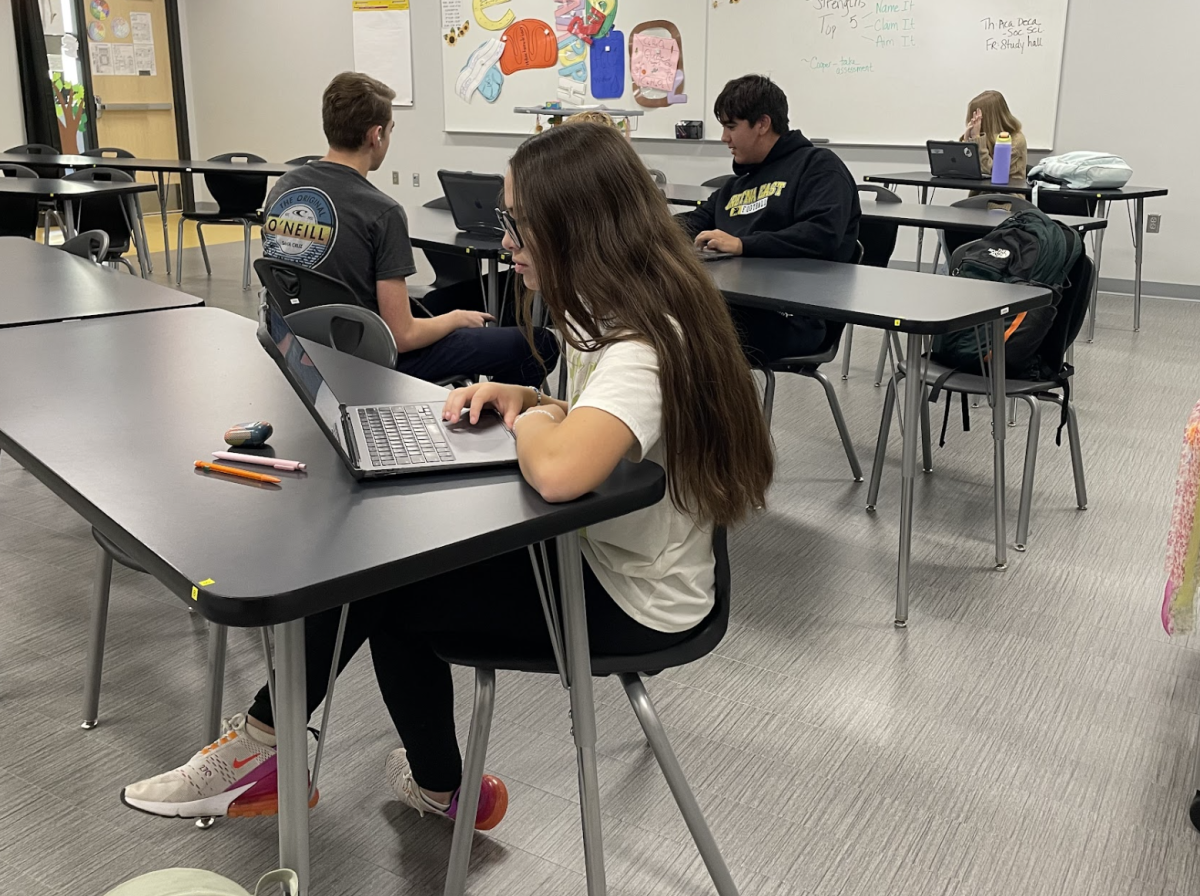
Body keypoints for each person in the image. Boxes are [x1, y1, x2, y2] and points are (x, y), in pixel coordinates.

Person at [120, 121, 775, 833]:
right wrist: (534, 399)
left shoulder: (645, 343)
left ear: (574, 227)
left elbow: (558, 473)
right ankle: (400, 778)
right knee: (388, 571)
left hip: (637, 596)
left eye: (518, 226)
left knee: (385, 585)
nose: (507, 245)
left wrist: (534, 421)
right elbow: (598, 428)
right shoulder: (620, 312)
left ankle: (287, 753)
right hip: (612, 553)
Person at [260, 71, 556, 387]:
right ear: (376, 136)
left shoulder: (281, 191)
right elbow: (402, 336)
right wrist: (456, 320)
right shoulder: (381, 211)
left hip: (304, 348)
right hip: (376, 361)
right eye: (390, 130)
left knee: (465, 297)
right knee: (542, 344)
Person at [676, 74, 860, 362]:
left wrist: (742, 244)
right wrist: (643, 230)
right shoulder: (737, 184)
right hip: (735, 302)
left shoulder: (819, 167)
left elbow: (822, 234)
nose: (725, 138)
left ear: (762, 124)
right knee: (653, 316)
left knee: (676, 334)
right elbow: (695, 222)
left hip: (792, 316)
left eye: (731, 127)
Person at [961, 89, 1028, 184]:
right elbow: (965, 172)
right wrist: (966, 143)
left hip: (1005, 195)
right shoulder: (983, 138)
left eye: (976, 118)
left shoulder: (1015, 140)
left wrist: (977, 140)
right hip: (981, 194)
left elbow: (994, 173)